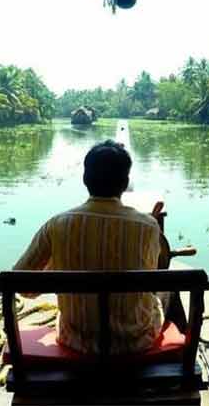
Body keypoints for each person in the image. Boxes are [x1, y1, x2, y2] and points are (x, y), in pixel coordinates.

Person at [13, 140, 167, 355]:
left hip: (75, 341)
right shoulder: (148, 227)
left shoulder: (57, 224)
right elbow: (148, 277)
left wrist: (58, 263)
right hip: (136, 342)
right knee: (165, 291)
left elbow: (23, 286)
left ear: (86, 179)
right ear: (125, 182)